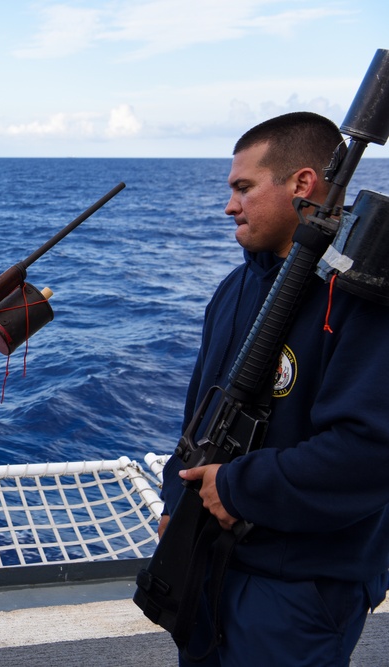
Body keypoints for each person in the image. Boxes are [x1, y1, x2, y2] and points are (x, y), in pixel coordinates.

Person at [158, 111, 389, 666]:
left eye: (243, 187)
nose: (229, 205)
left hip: (299, 585)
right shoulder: (234, 289)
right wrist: (174, 500)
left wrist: (239, 488)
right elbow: (199, 414)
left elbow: (370, 451)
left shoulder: (362, 299)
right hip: (208, 563)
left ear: (303, 184)